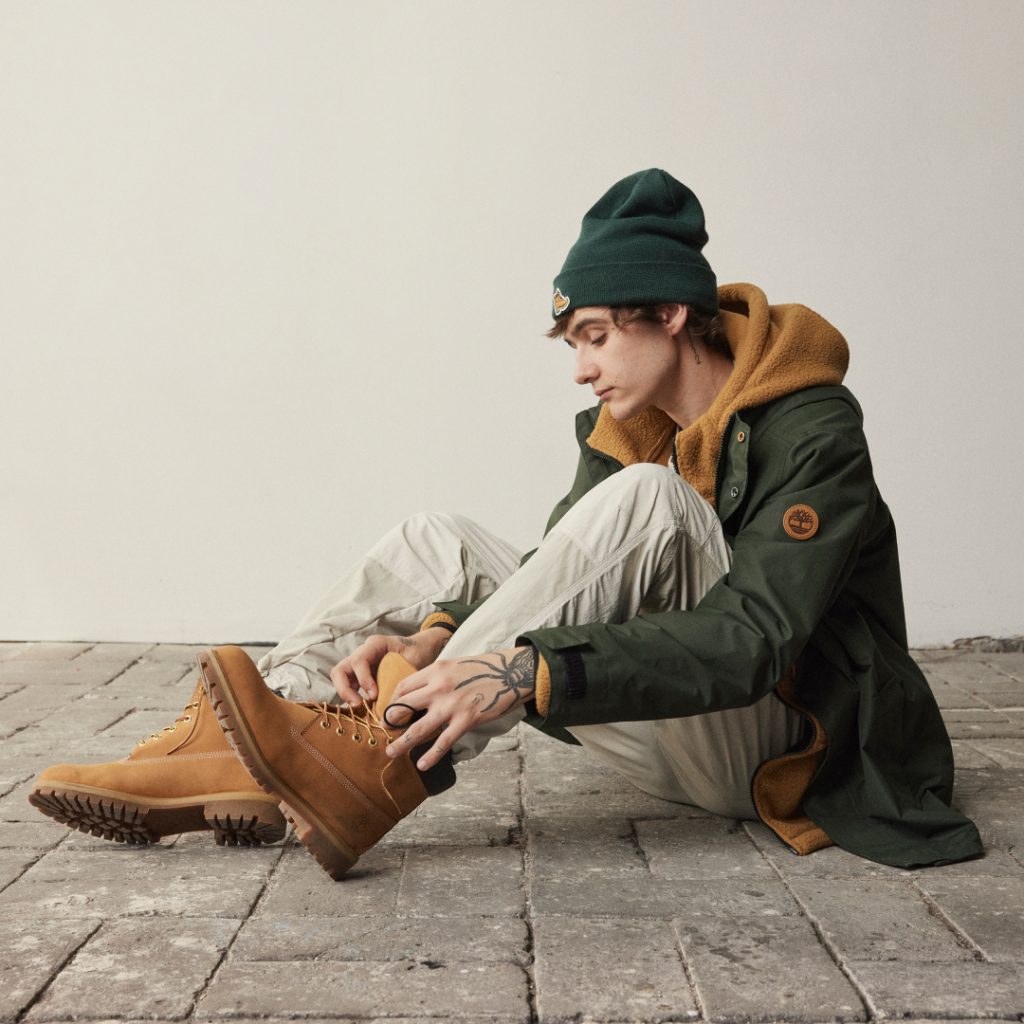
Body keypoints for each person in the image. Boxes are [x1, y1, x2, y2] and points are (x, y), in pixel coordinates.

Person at [30, 169, 983, 876]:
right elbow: (556, 570)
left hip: (792, 750)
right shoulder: (633, 426)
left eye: (596, 337)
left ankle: (376, 766)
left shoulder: (814, 428)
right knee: (436, 540)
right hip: (677, 719)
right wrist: (437, 632)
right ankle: (249, 742)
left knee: (649, 502)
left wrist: (522, 672)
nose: (581, 369)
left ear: (671, 313)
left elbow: (753, 639)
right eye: (572, 343)